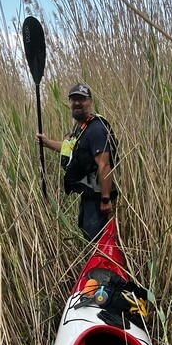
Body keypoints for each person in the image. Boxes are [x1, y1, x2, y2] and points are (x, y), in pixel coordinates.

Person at [37, 83, 118, 241]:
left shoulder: (96, 129)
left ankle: (103, 265)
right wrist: (47, 143)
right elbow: (71, 150)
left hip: (98, 197)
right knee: (88, 233)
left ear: (90, 102)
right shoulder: (81, 127)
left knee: (96, 238)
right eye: (73, 99)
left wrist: (105, 199)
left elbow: (105, 165)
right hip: (88, 194)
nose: (76, 103)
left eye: (81, 99)